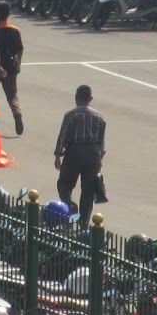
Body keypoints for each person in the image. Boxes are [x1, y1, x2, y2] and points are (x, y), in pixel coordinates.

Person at [53, 84, 106, 226]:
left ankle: (70, 205)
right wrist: (99, 159)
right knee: (88, 191)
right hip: (93, 155)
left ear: (76, 98)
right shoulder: (100, 118)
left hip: (75, 152)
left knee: (64, 184)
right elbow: (101, 141)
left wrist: (58, 155)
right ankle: (83, 223)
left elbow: (63, 136)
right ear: (91, 98)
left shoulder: (71, 115)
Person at [0, 1, 25, 136]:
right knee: (12, 95)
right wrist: (18, 63)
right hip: (12, 64)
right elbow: (20, 49)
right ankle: (17, 113)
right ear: (9, 14)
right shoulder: (16, 30)